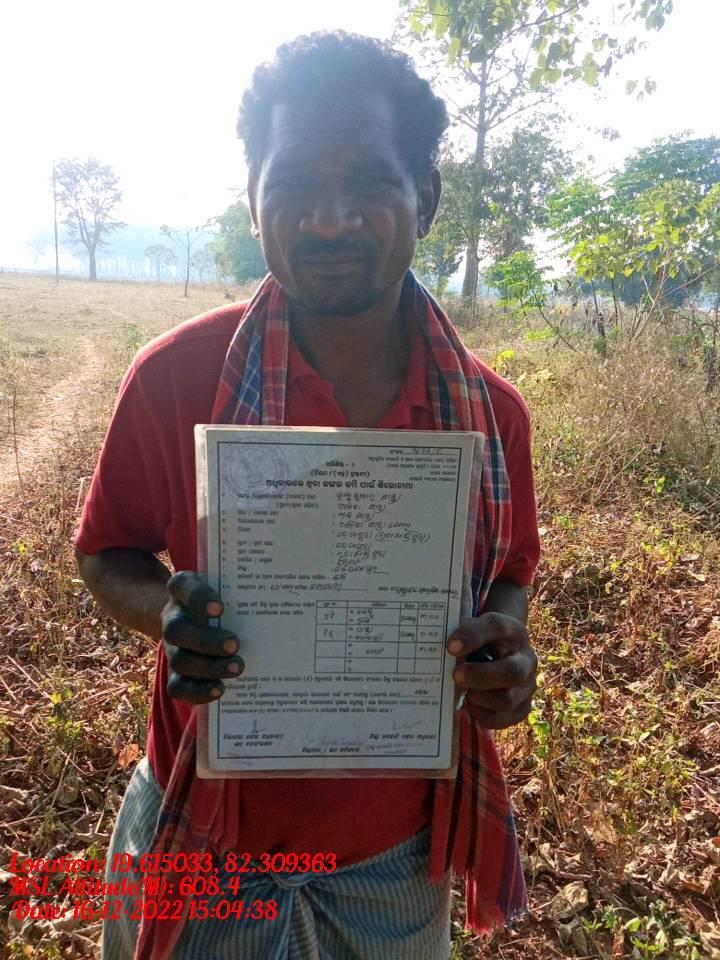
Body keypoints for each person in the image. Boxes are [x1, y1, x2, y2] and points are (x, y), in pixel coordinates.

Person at [75, 31, 540, 960]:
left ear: (426, 198)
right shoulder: (174, 380)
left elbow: (509, 573)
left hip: (392, 861)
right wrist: (167, 614)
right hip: (203, 836)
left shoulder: (490, 417)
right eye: (292, 184)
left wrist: (505, 652)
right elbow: (105, 552)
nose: (329, 220)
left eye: (369, 180)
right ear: (253, 201)